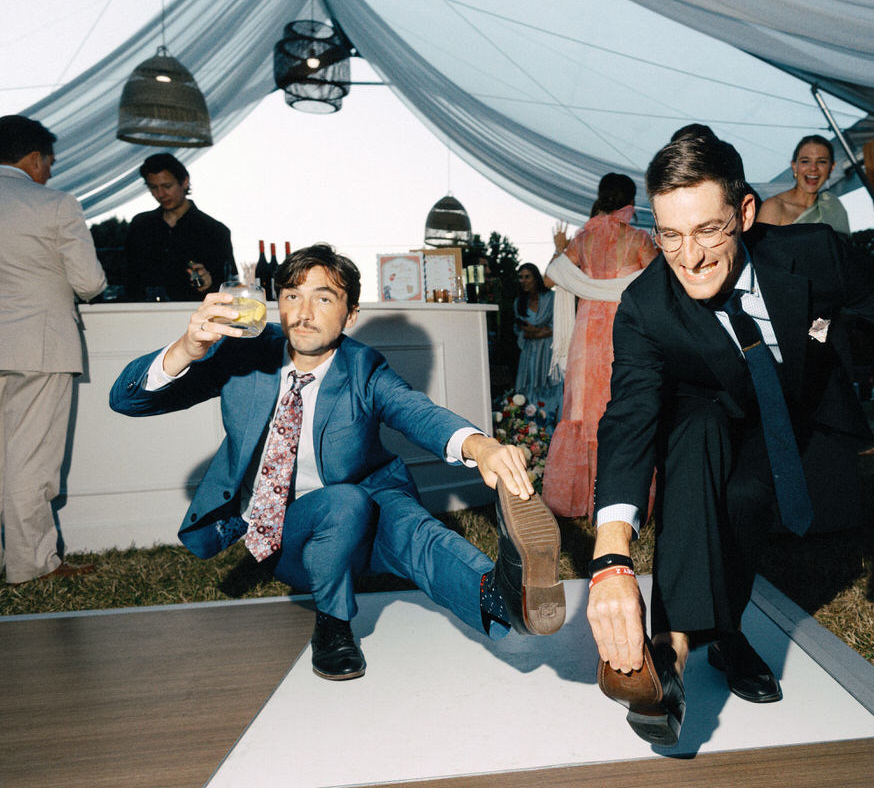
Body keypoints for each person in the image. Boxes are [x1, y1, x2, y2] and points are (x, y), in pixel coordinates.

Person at [585, 134, 874, 745]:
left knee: (746, 501)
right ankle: (669, 655)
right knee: (692, 446)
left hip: (796, 406)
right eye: (670, 235)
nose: (688, 257)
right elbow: (629, 418)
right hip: (708, 406)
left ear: (745, 214)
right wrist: (611, 557)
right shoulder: (645, 308)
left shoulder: (817, 254)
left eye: (708, 231)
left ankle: (727, 634)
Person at [109, 244, 565, 680]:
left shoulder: (363, 367)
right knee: (344, 503)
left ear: (351, 315)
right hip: (288, 537)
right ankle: (333, 624)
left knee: (413, 528)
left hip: (366, 514)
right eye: (292, 296)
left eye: (323, 298)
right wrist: (187, 348)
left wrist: (480, 446)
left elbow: (416, 412)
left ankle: (499, 597)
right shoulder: (244, 355)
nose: (303, 314)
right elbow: (126, 402)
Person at [0, 115, 108, 584]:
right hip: (37, 347)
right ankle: (31, 565)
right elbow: (90, 283)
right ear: (32, 158)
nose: (48, 173)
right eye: (48, 163)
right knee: (29, 459)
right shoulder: (55, 204)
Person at [541, 173, 658, 518]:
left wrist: (562, 249)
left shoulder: (583, 237)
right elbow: (655, 284)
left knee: (583, 414)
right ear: (630, 201)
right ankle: (619, 502)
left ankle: (580, 501)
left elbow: (551, 276)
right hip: (625, 328)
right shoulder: (637, 238)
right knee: (623, 408)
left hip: (586, 333)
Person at [123, 153, 235, 302]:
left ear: (185, 182)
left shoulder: (215, 231)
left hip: (194, 315)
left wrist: (209, 284)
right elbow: (127, 278)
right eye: (153, 187)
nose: (160, 194)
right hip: (142, 315)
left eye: (167, 186)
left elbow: (227, 286)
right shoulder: (140, 225)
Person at [757, 135, 851, 235]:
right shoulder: (774, 207)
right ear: (794, 166)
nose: (813, 168)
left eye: (822, 162)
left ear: (831, 168)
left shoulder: (831, 206)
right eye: (805, 161)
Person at [512, 262, 561, 420]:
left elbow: (559, 325)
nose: (523, 281)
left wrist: (537, 332)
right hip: (529, 354)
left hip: (548, 352)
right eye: (520, 277)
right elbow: (520, 331)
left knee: (550, 390)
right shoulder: (518, 302)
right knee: (530, 391)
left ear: (536, 278)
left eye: (527, 277)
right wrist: (536, 332)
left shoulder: (551, 298)